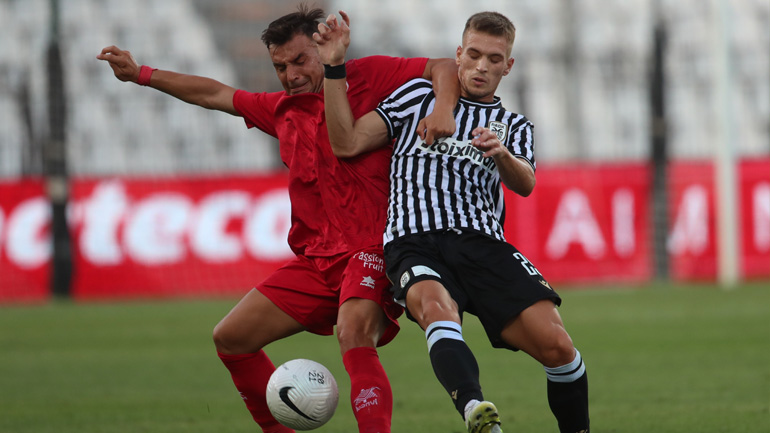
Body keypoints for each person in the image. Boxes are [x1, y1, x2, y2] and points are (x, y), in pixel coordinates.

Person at [97, 5, 459, 433]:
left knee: (353, 334)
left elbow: (444, 66)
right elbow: (216, 94)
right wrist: (141, 74)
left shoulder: (370, 76)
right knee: (231, 339)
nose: (291, 74)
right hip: (316, 262)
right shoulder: (281, 110)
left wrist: (443, 110)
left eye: (300, 60)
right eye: (280, 66)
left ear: (323, 47)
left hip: (372, 250)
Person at [316, 10, 590, 433]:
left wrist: (500, 155)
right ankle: (476, 410)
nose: (482, 66)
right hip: (413, 240)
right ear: (458, 54)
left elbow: (526, 183)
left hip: (482, 245)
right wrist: (334, 66)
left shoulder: (513, 126)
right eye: (475, 54)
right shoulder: (416, 99)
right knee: (435, 307)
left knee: (559, 348)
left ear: (508, 66)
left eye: (494, 59)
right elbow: (347, 142)